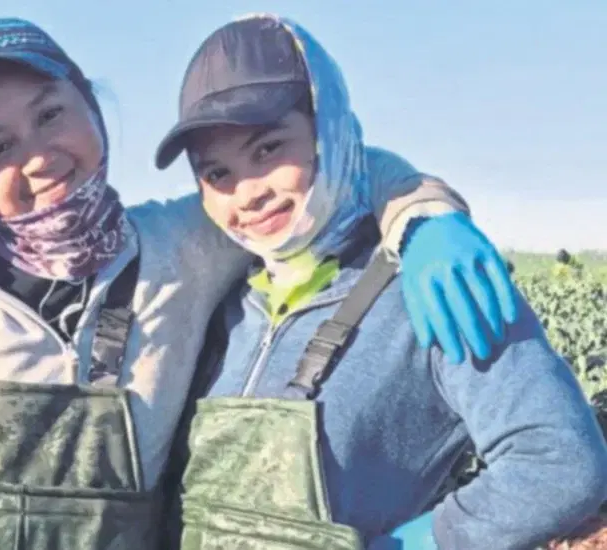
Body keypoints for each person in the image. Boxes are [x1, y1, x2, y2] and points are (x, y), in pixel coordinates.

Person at [0, 18, 524, 549]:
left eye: (51, 115)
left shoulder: (183, 244)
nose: (38, 157)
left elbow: (325, 168)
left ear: (92, 109)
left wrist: (427, 219)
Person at [156, 14, 607, 550]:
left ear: (330, 131)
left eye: (268, 150)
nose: (246, 194)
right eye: (216, 174)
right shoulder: (229, 304)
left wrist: (422, 542)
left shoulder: (430, 285)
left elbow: (559, 459)